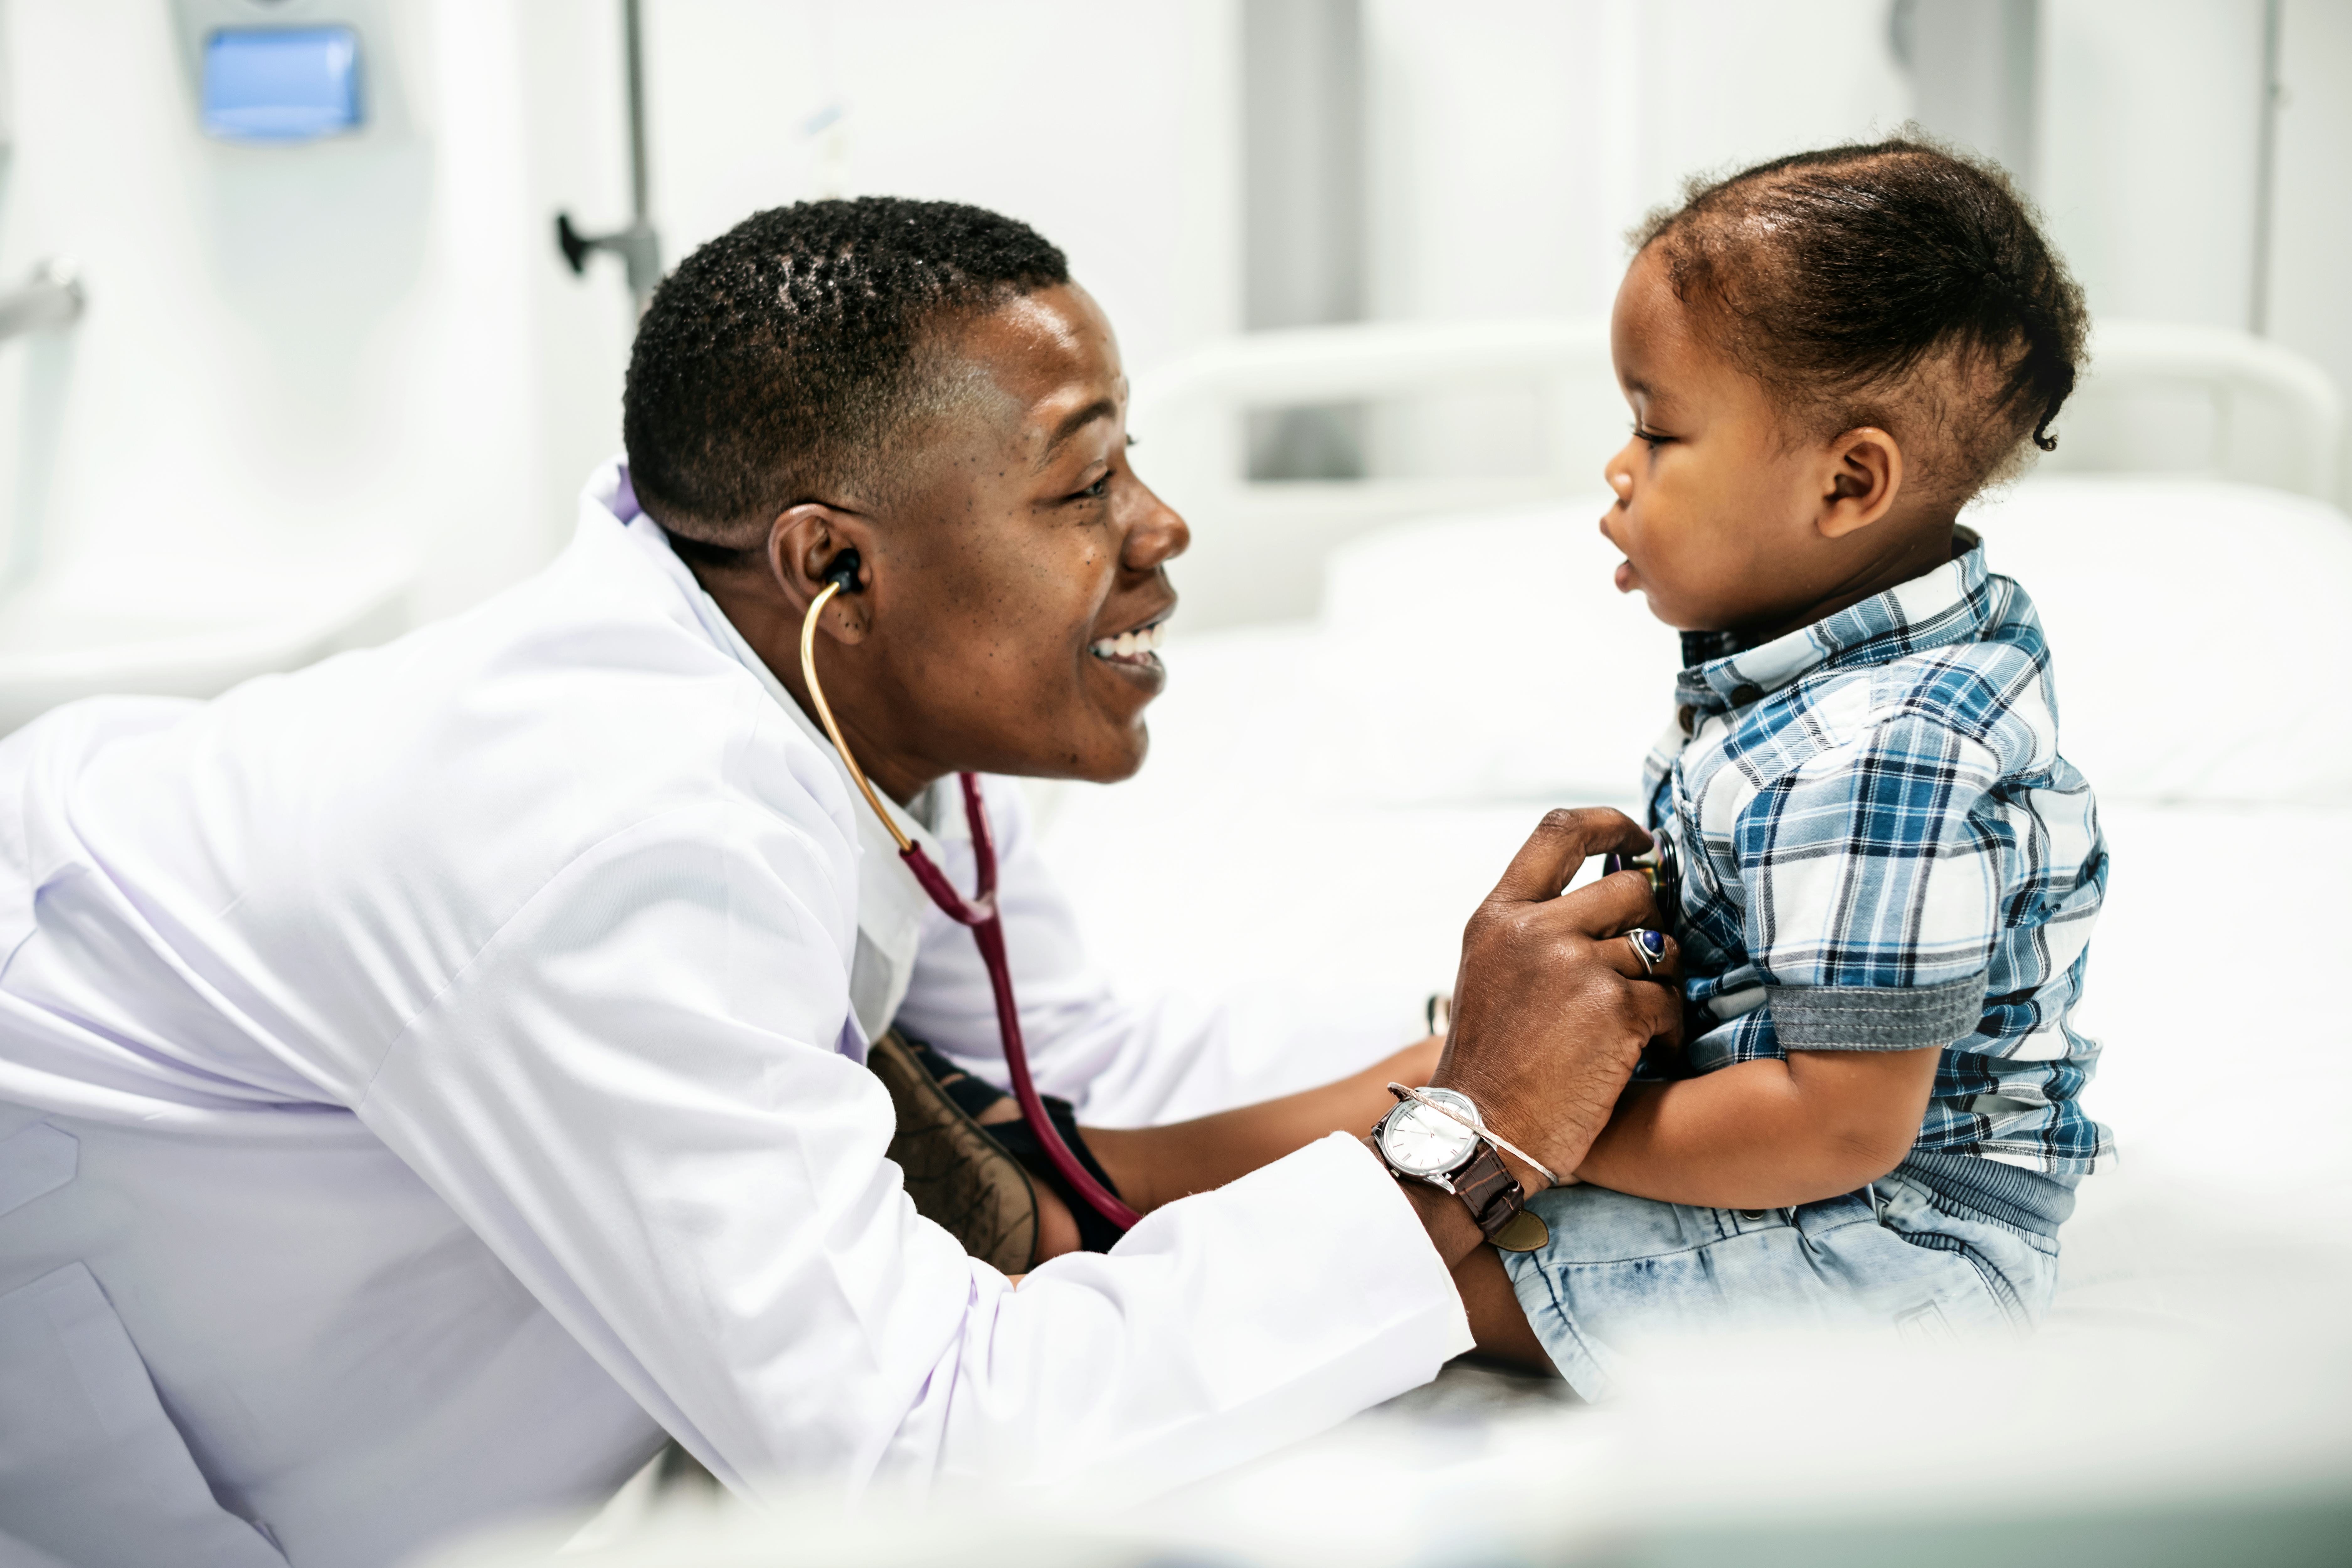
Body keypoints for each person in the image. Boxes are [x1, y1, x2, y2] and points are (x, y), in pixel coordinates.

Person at [0, 198, 1679, 1568]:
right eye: (1083, 481)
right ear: (834, 563)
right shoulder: (619, 840)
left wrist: (1499, 1040)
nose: (1163, 528)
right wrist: (1469, 1144)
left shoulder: (830, 691)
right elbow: (910, 1449)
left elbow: (1090, 1077)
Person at [1484, 142, 2112, 1397]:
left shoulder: (1888, 750)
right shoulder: (1843, 650)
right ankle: (1105, 1175)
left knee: (1413, 1265)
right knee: (1422, 1129)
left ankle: (1086, 1244)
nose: (1619, 468)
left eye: (1656, 431)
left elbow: (1834, 1126)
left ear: (1845, 482)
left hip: (1893, 1246)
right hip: (1791, 1154)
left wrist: (1534, 1133)